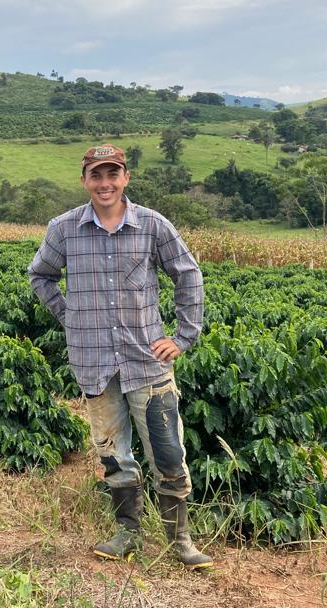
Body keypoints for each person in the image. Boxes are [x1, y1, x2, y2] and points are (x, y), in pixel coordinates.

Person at [27, 144, 212, 570]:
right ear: (85, 181)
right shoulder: (64, 228)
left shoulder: (152, 225)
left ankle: (180, 541)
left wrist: (184, 336)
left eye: (113, 175)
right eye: (97, 175)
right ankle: (127, 532)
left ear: (125, 177)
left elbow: (188, 274)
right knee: (113, 453)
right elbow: (41, 275)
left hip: (146, 361)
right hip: (94, 363)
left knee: (167, 452)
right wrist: (69, 316)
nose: (105, 183)